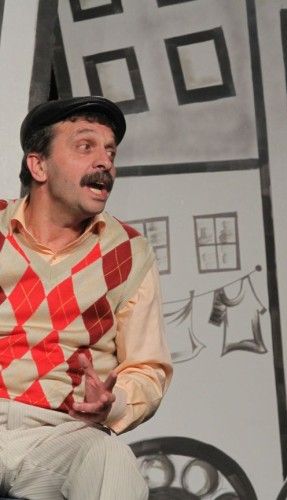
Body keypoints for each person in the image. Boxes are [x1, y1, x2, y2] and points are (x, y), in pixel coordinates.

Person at [0, 96, 173, 500]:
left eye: (111, 152)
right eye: (85, 146)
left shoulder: (128, 252)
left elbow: (147, 366)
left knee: (110, 461)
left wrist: (113, 404)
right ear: (38, 166)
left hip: (61, 434)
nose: (105, 162)